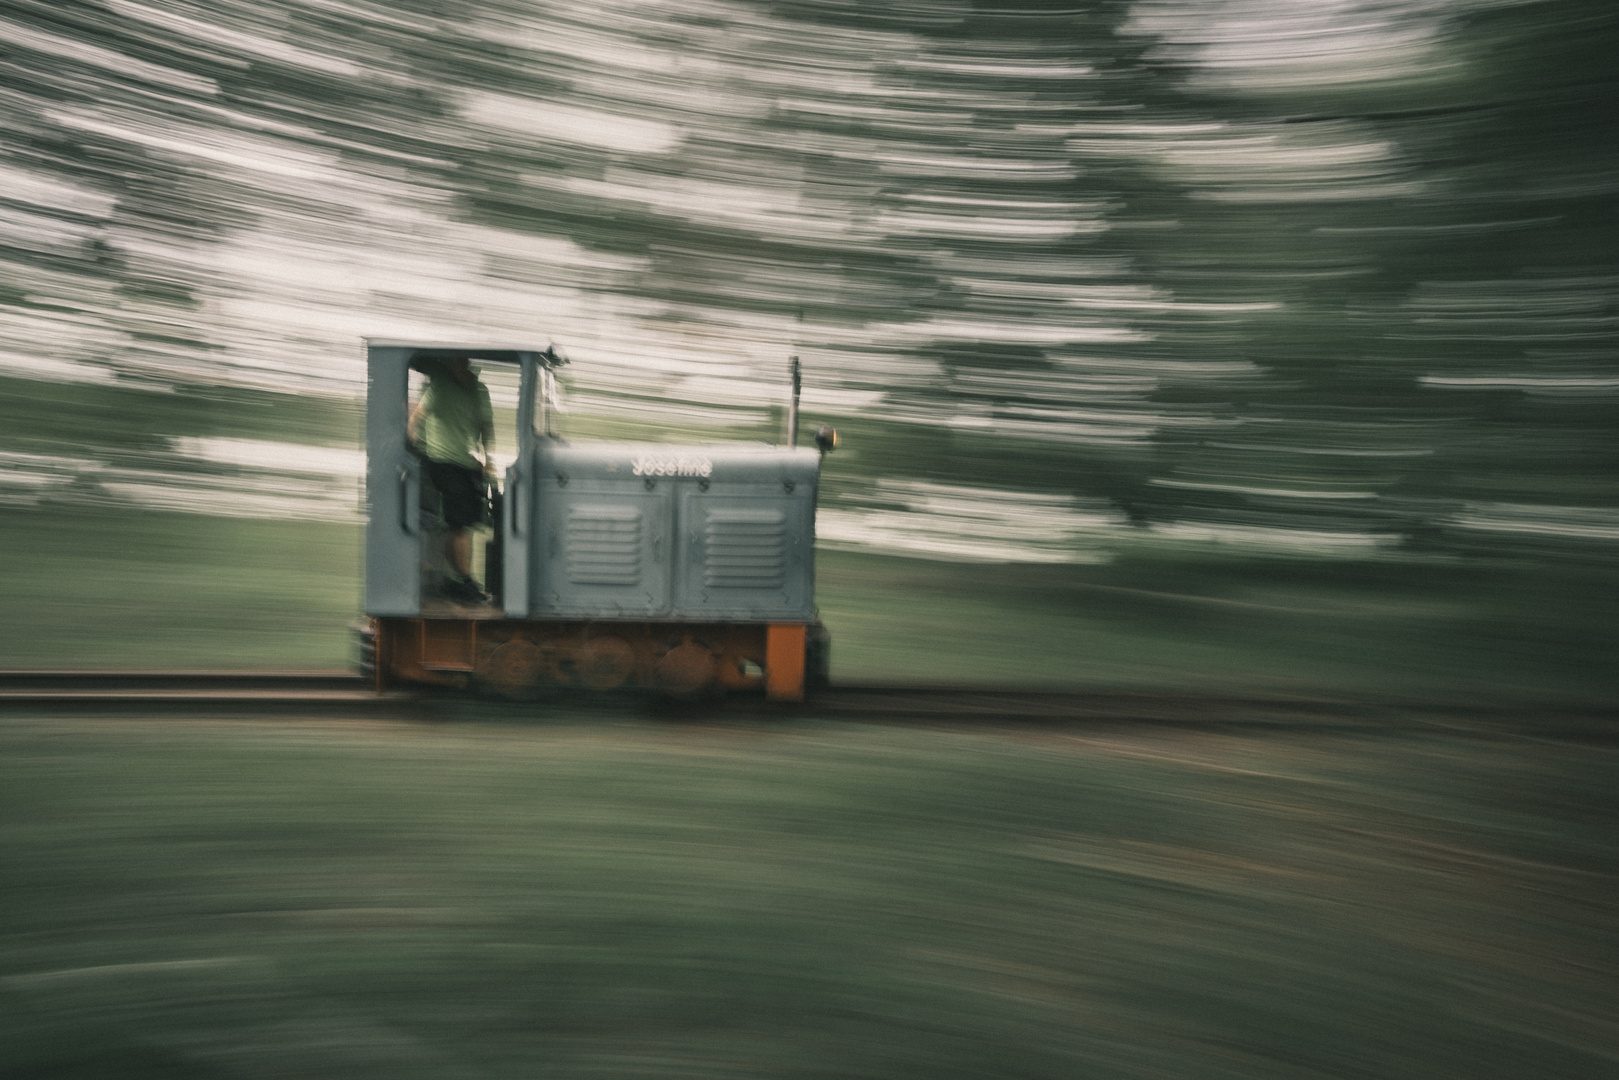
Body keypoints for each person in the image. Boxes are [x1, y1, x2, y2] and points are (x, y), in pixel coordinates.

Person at [408, 356, 496, 605]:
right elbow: (417, 418)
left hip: (466, 462)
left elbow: (486, 427)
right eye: (455, 363)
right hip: (439, 460)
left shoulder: (479, 391)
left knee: (465, 523)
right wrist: (411, 448)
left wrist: (489, 459)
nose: (460, 368)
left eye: (463, 363)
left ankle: (456, 579)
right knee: (458, 524)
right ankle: (465, 582)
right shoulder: (440, 387)